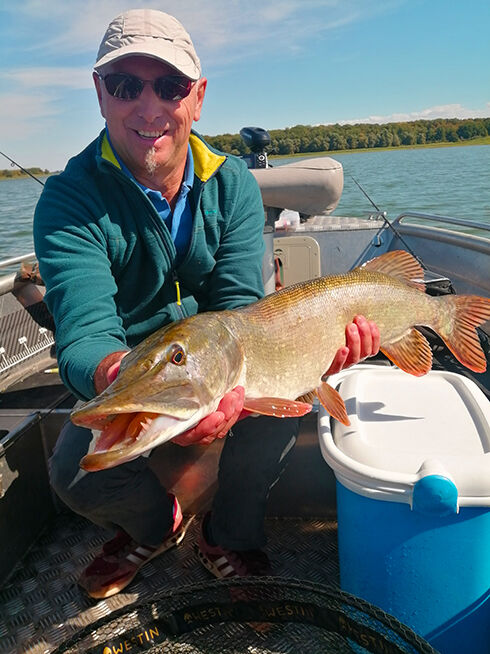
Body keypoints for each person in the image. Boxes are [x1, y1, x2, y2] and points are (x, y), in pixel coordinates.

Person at [33, 8, 380, 599]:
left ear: (197, 98)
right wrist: (126, 381)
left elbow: (243, 307)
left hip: (221, 362)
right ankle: (156, 527)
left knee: (276, 419)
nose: (149, 107)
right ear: (100, 94)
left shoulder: (232, 185)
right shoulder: (69, 200)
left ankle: (227, 536)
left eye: (170, 86)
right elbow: (86, 334)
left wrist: (312, 357)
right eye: (125, 85)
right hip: (138, 368)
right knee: (74, 473)